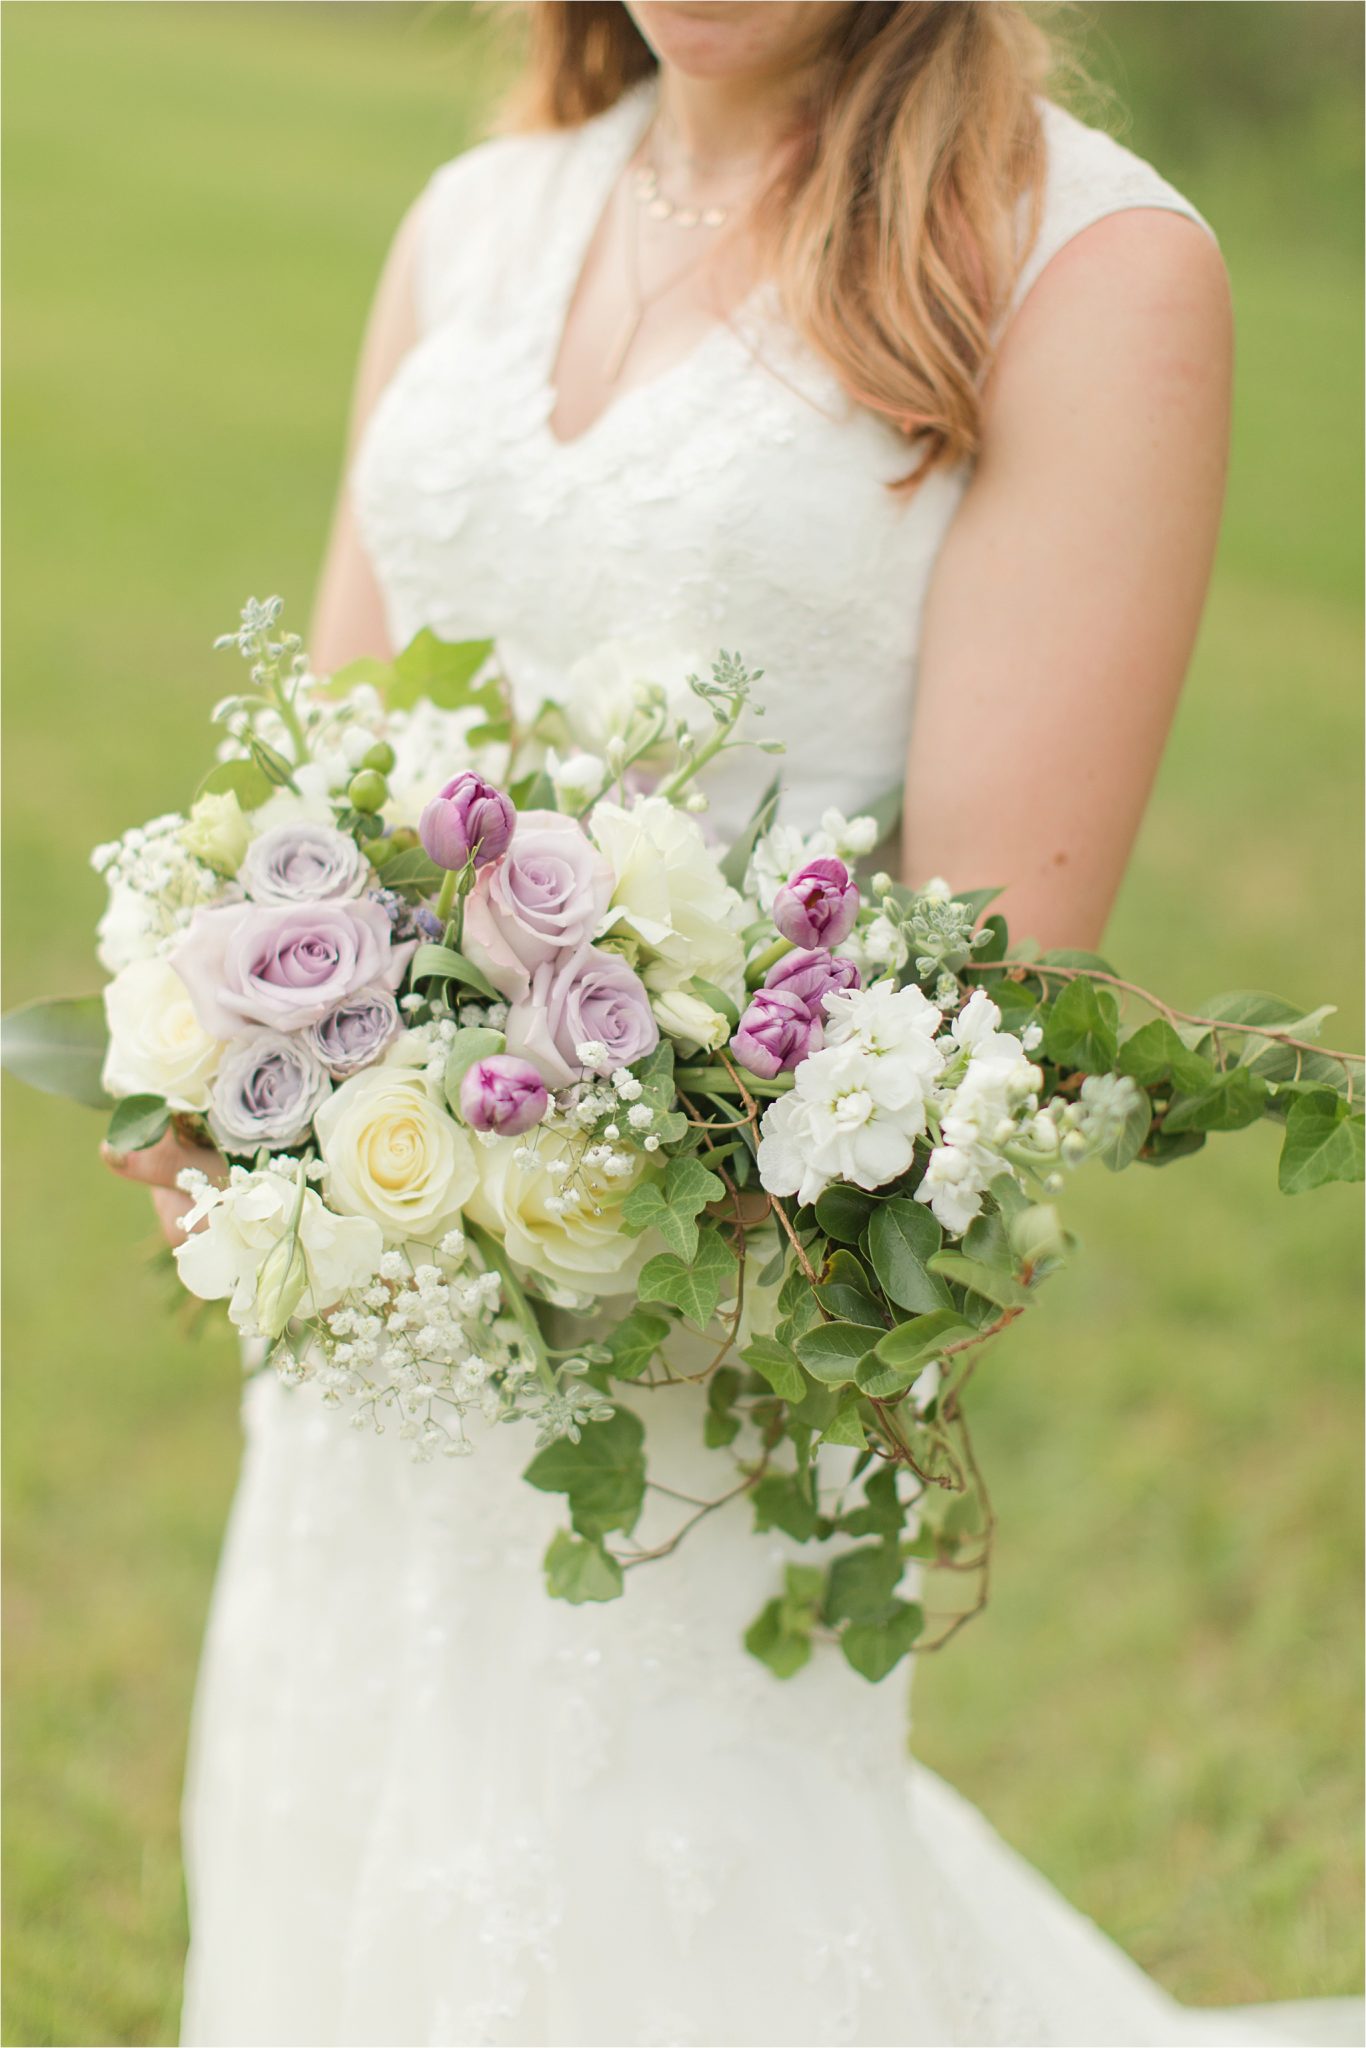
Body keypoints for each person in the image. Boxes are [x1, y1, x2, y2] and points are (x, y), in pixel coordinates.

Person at [103, 5, 1360, 2042]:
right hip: (371, 1337)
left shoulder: (1081, 267)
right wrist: (237, 1075)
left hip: (706, 1355)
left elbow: (987, 997)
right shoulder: (471, 221)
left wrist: (579, 1187)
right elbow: (319, 796)